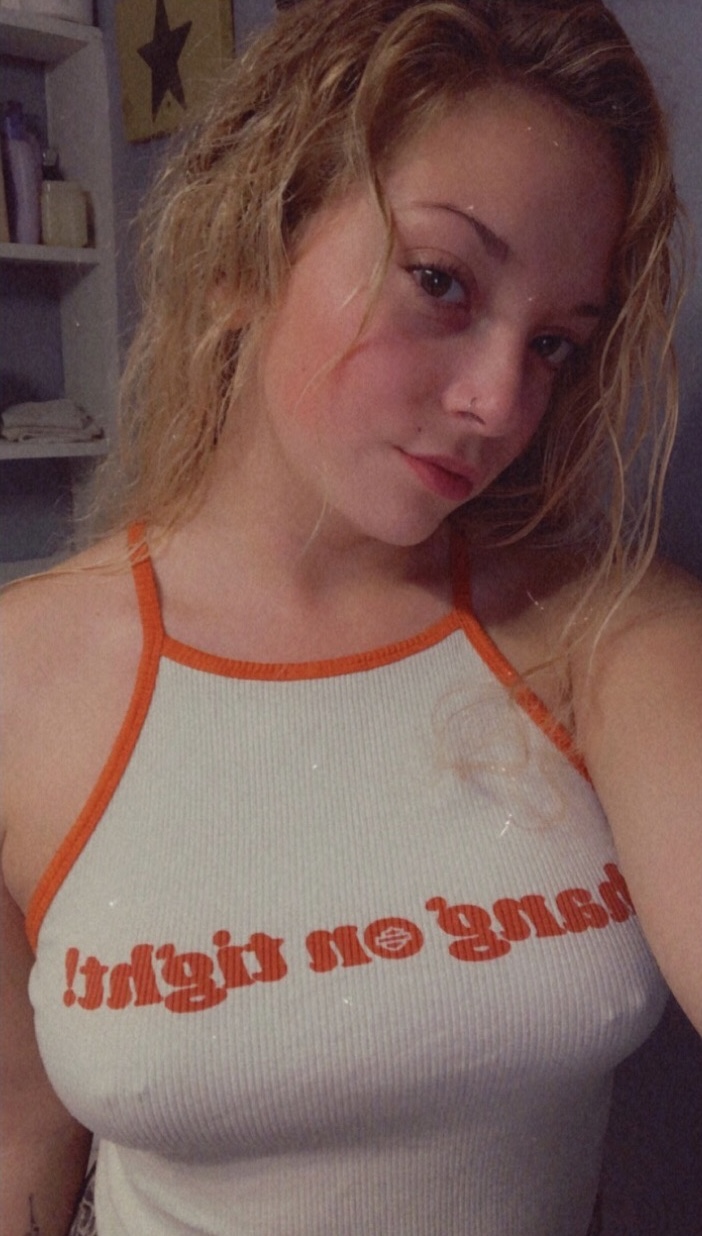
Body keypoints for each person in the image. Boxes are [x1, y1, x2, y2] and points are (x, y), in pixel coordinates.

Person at [1, 0, 701, 1232]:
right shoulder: (22, 675)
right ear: (245, 255)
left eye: (554, 344)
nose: (500, 401)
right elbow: (22, 1155)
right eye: (441, 281)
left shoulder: (609, 633)